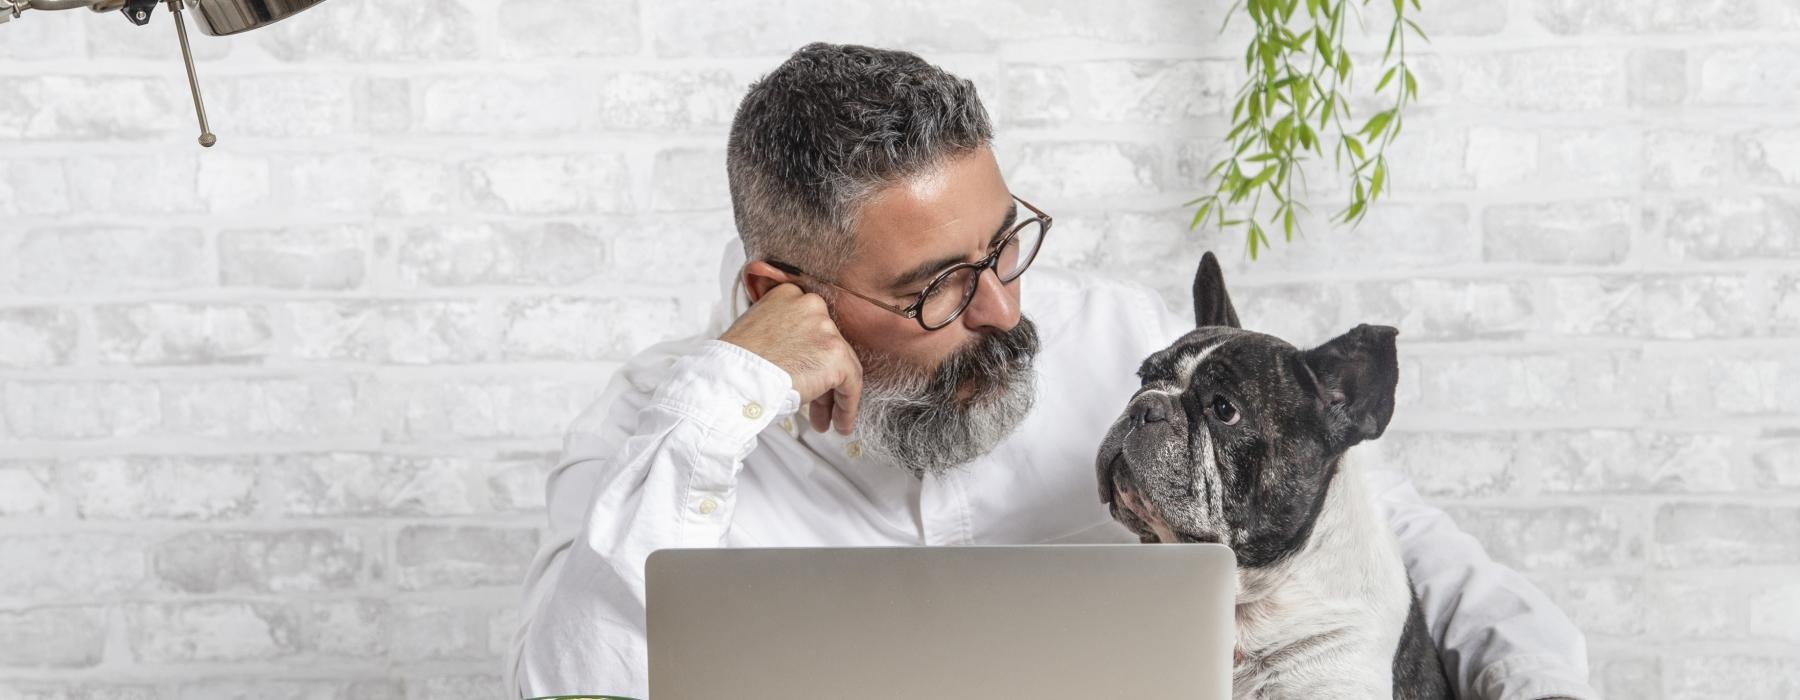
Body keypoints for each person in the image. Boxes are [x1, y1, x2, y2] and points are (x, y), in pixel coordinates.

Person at [509, 42, 1596, 700]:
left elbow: (1398, 542)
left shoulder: (1124, 343)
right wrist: (725, 397)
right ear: (776, 295)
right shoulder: (660, 442)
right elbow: (575, 685)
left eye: (1006, 244)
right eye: (938, 286)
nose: (1003, 309)